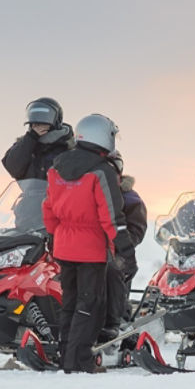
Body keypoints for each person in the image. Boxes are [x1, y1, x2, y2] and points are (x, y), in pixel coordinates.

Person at [42, 114, 128, 373]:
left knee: (69, 303)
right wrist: (125, 249)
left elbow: (48, 209)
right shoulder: (101, 171)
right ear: (103, 136)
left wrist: (60, 236)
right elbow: (111, 216)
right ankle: (80, 361)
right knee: (90, 306)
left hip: (64, 246)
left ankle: (65, 357)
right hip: (90, 249)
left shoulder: (56, 168)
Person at [101, 152, 147, 340]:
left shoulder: (129, 197)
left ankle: (119, 318)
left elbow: (138, 227)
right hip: (90, 246)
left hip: (119, 249)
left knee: (116, 271)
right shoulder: (92, 189)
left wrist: (122, 243)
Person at [2, 97, 76, 181]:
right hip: (30, 193)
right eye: (34, 120)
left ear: (56, 120)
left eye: (44, 118)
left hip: (60, 193)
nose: (37, 124)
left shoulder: (70, 146)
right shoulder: (24, 144)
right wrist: (31, 137)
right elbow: (13, 169)